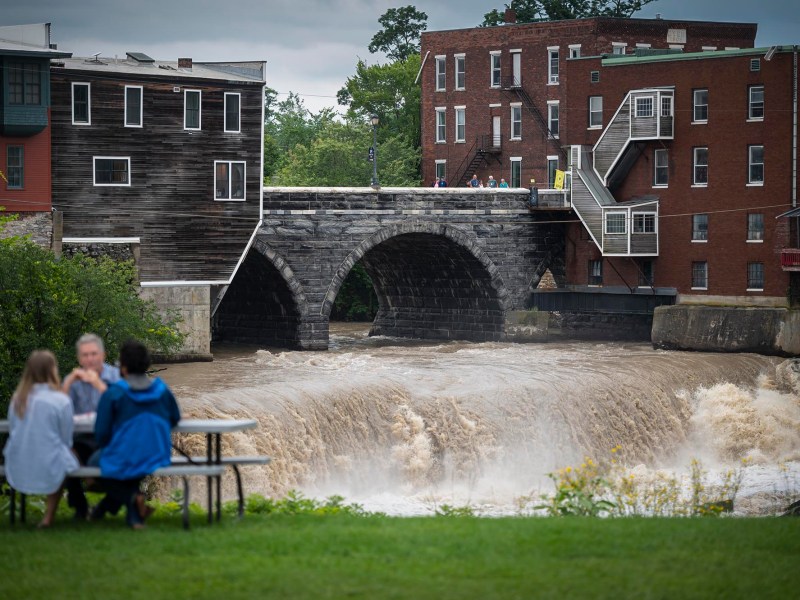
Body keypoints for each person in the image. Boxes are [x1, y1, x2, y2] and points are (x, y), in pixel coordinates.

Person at [90, 339, 181, 528]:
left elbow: (102, 433)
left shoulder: (115, 393)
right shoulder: (162, 390)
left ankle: (133, 499)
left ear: (122, 368)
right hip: (157, 453)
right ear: (147, 364)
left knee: (91, 465)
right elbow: (174, 418)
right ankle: (129, 515)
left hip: (124, 453)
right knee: (133, 468)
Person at [3, 351, 80, 528]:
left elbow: (14, 430)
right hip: (48, 462)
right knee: (66, 457)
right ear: (53, 370)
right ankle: (48, 516)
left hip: (19, 460)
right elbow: (66, 438)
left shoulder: (17, 399)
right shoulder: (61, 400)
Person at [62, 333, 121, 520]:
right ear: (79, 358)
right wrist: (69, 382)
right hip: (81, 439)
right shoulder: (73, 381)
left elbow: (122, 409)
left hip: (110, 439)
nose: (90, 359)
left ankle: (104, 507)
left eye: (94, 354)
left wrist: (98, 384)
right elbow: (58, 410)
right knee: (63, 454)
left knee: (129, 456)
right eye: (85, 355)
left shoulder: (115, 377)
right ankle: (80, 506)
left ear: (103, 355)